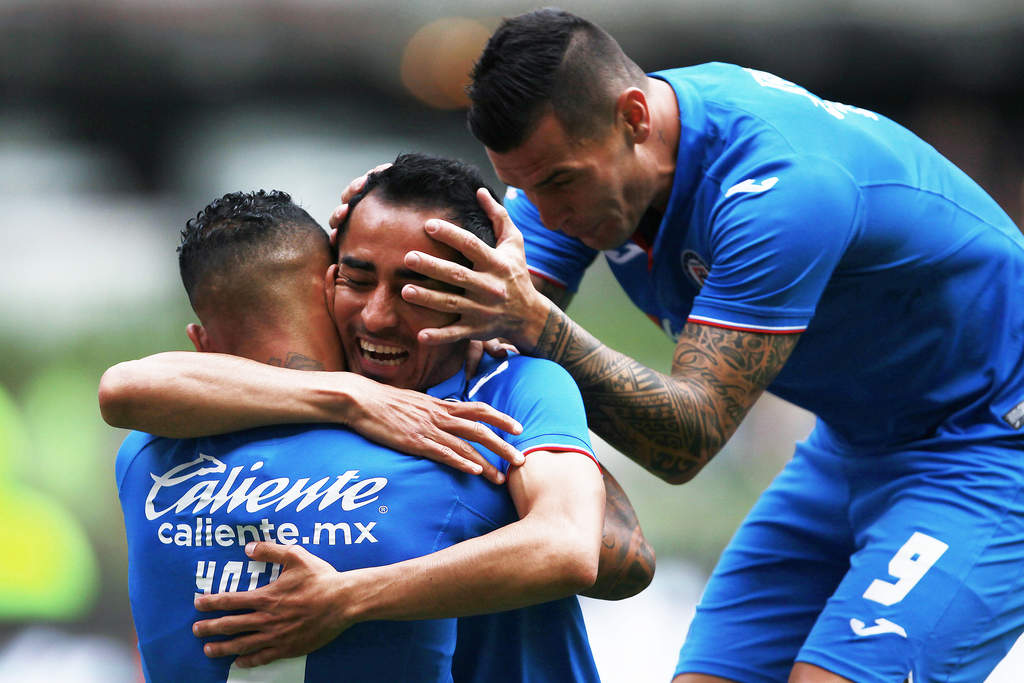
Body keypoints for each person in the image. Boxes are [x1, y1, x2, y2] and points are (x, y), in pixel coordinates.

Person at [354, 9, 1024, 683]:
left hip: (989, 440)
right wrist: (373, 231)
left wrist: (541, 329)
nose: (548, 217)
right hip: (855, 440)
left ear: (634, 119)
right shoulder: (585, 155)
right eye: (525, 189)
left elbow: (689, 437)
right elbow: (475, 343)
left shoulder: (778, 193)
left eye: (559, 183)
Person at [102, 154, 654, 680]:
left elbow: (579, 547)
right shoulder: (327, 406)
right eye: (358, 280)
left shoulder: (509, 386)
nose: (377, 317)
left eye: (417, 289)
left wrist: (346, 597)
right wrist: (351, 395)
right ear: (328, 284)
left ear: (475, 294)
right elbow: (123, 387)